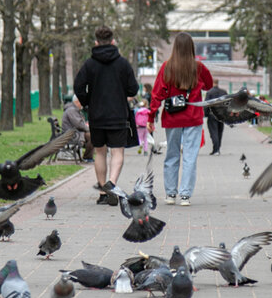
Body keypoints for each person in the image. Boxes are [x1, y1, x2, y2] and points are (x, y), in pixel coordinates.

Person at [73, 26, 139, 204]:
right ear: (113, 42)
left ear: (96, 43)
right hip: (118, 114)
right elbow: (134, 88)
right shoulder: (123, 63)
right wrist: (121, 92)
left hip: (97, 115)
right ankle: (113, 184)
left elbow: (78, 86)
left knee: (100, 153)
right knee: (117, 152)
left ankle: (103, 192)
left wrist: (88, 102)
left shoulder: (89, 64)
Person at [147, 32, 214, 206]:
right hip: (193, 116)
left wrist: (150, 116)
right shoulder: (198, 67)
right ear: (192, 48)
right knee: (190, 156)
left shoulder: (167, 67)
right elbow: (209, 85)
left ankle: (170, 194)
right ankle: (185, 195)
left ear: (175, 47)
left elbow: (157, 94)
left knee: (172, 155)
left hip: (172, 117)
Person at [61, 94, 93, 161]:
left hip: (75, 132)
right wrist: (89, 129)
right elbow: (79, 124)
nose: (83, 104)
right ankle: (87, 157)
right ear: (77, 101)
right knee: (92, 136)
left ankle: (88, 157)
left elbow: (80, 124)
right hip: (72, 135)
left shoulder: (74, 109)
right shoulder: (71, 110)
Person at [204, 82, 225, 155]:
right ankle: (217, 149)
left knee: (213, 132)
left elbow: (207, 103)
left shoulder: (209, 92)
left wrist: (205, 114)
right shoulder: (224, 92)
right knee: (220, 132)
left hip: (212, 114)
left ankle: (215, 149)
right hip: (222, 115)